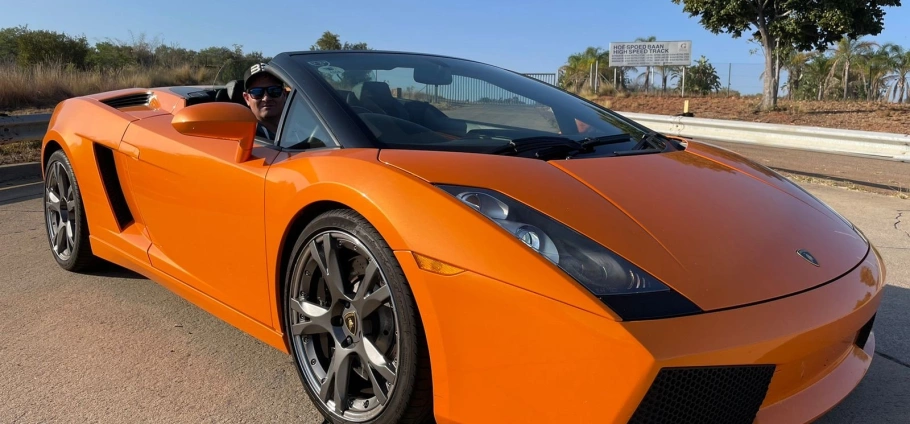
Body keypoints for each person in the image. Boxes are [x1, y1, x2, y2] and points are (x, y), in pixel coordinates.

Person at [242, 63, 288, 141]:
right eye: (257, 92)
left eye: (273, 90)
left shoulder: (306, 127)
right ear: (247, 98)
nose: (266, 98)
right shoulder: (244, 137)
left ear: (284, 94)